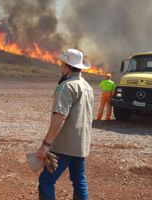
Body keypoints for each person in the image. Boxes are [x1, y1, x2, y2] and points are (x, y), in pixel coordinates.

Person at [36, 49, 94, 200]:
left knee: (46, 181)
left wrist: (46, 144)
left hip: (64, 145)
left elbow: (60, 117)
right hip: (81, 144)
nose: (61, 66)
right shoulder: (88, 87)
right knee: (79, 181)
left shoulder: (67, 86)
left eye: (63, 64)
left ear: (67, 66)